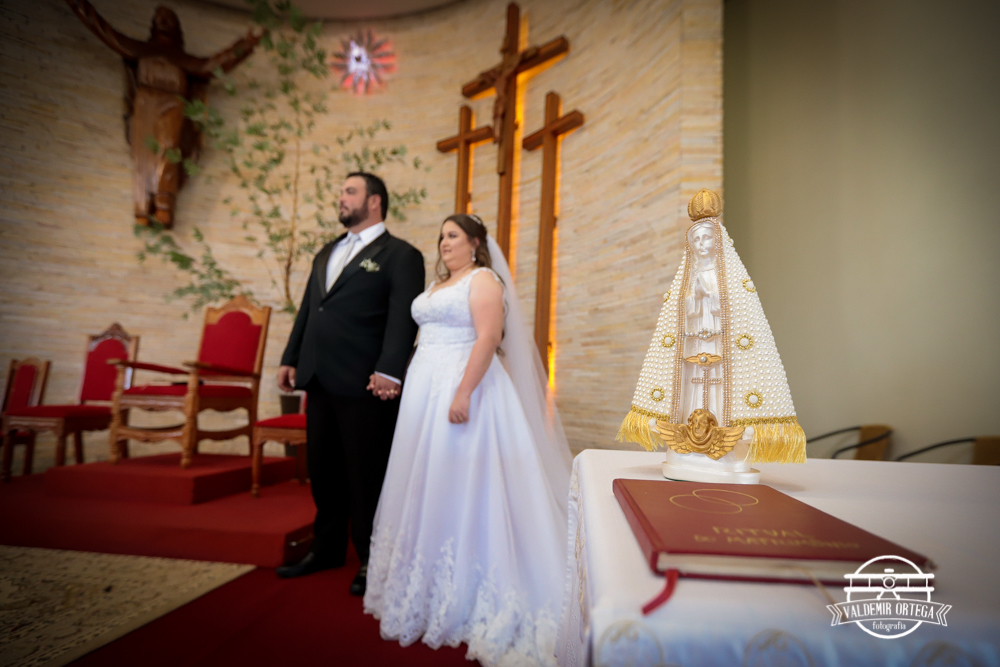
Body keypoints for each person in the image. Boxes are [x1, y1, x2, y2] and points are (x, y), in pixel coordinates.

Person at [363, 214, 573, 667]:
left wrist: (463, 392)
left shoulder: (483, 281)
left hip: (466, 387)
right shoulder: (439, 286)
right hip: (424, 388)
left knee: (461, 478)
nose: (444, 242)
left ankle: (474, 585)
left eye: (453, 235)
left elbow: (488, 337)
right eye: (441, 236)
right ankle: (425, 585)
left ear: (475, 243)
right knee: (427, 478)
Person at [275, 172, 425, 595]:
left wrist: (390, 369)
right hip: (318, 377)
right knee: (323, 471)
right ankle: (325, 548)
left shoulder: (401, 255)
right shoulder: (327, 251)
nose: (340, 197)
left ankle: (372, 558)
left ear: (374, 201)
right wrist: (290, 357)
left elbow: (402, 318)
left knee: (366, 475)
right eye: (341, 191)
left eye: (349, 191)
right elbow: (310, 309)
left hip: (366, 383)